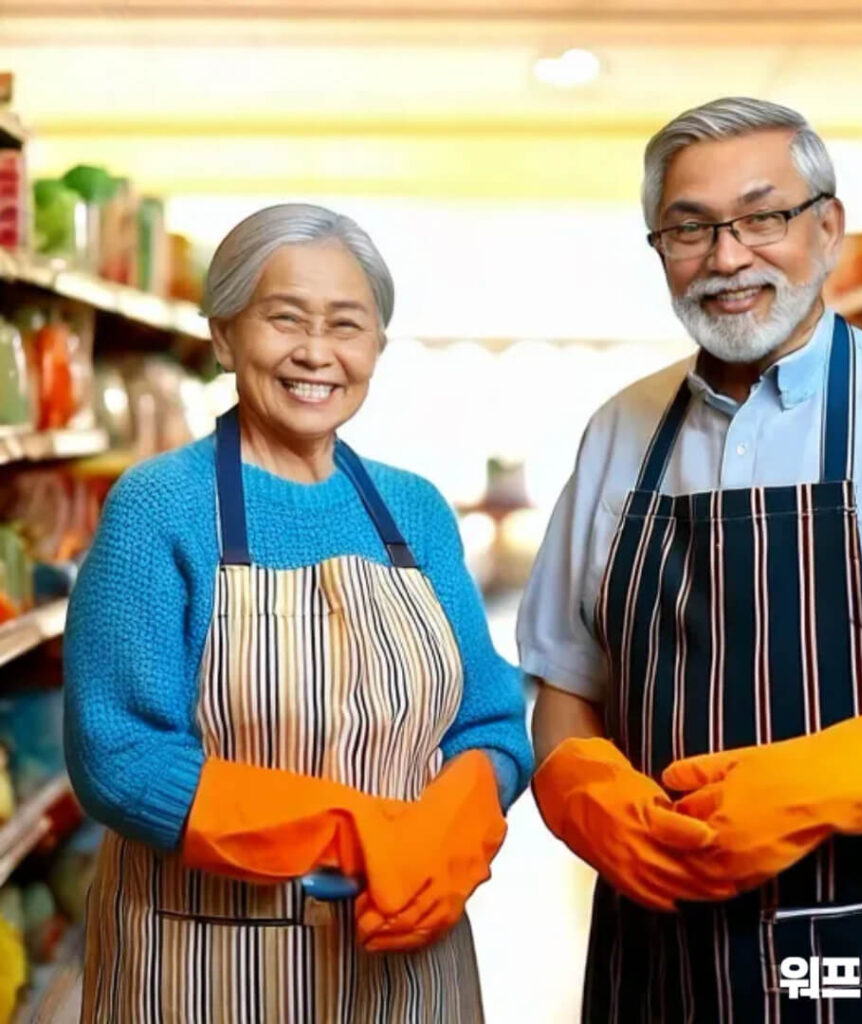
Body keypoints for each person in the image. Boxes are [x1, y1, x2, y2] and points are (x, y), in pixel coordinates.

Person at [519, 96, 862, 1022]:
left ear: (827, 227)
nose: (727, 257)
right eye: (690, 228)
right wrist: (579, 789)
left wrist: (816, 784)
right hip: (658, 946)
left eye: (764, 216)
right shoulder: (618, 429)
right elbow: (566, 678)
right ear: (658, 249)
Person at [65, 203, 533, 1022]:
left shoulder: (413, 510)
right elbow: (119, 753)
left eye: (347, 325)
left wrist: (446, 836)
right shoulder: (159, 508)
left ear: (377, 348)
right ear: (223, 335)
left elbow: (490, 720)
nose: (317, 353)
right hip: (202, 961)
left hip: (411, 960)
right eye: (285, 319)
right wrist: (354, 833)